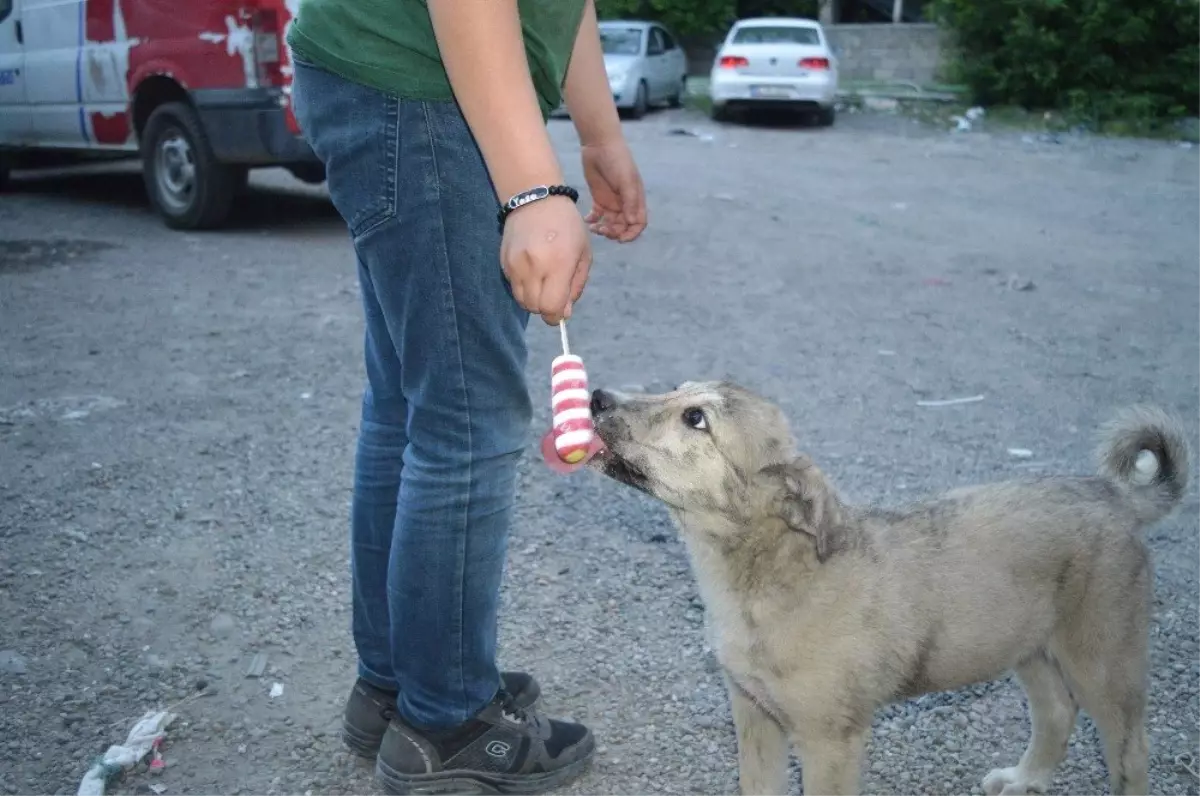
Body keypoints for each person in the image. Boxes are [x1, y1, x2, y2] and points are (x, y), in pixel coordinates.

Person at [285, 1, 647, 793]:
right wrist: (530, 191)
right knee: (467, 423)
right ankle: (444, 722)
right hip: (422, 90)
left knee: (410, 406)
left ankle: (396, 683)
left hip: (384, 75)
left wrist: (598, 133)